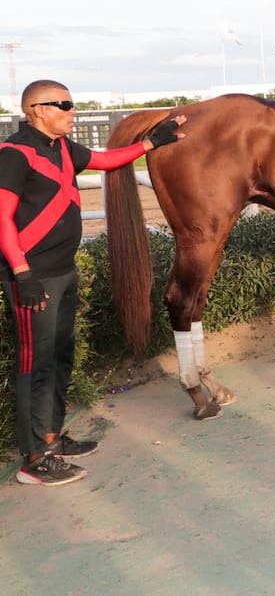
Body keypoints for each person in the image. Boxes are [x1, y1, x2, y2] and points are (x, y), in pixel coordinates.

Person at [1, 80, 185, 485]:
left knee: (61, 358)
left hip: (63, 271)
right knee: (37, 367)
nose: (72, 111)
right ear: (37, 110)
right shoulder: (14, 154)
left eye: (73, 103)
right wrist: (22, 274)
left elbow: (106, 160)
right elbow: (2, 217)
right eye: (63, 104)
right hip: (33, 278)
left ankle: (52, 439)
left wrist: (152, 144)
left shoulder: (63, 148)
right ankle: (34, 461)